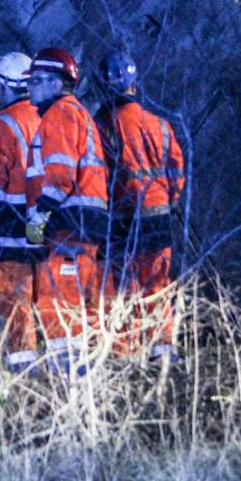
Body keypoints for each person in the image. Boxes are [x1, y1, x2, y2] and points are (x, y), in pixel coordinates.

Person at [96, 50, 186, 361]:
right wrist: (167, 201)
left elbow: (99, 175)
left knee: (124, 287)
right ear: (135, 84)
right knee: (157, 285)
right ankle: (163, 349)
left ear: (105, 86)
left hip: (123, 217)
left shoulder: (104, 126)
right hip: (159, 217)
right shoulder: (159, 124)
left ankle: (127, 351)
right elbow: (177, 171)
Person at [24, 47, 108, 373]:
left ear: (58, 84)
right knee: (80, 305)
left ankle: (68, 380)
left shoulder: (60, 114)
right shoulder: (76, 113)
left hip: (71, 223)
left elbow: (60, 172)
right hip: (83, 224)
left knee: (56, 299)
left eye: (37, 80)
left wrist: (41, 212)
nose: (31, 86)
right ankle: (86, 381)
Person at [0, 52, 42, 373]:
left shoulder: (2, 125)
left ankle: (22, 376)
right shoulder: (49, 116)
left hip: (9, 230)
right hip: (46, 227)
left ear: (3, 86)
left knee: (15, 308)